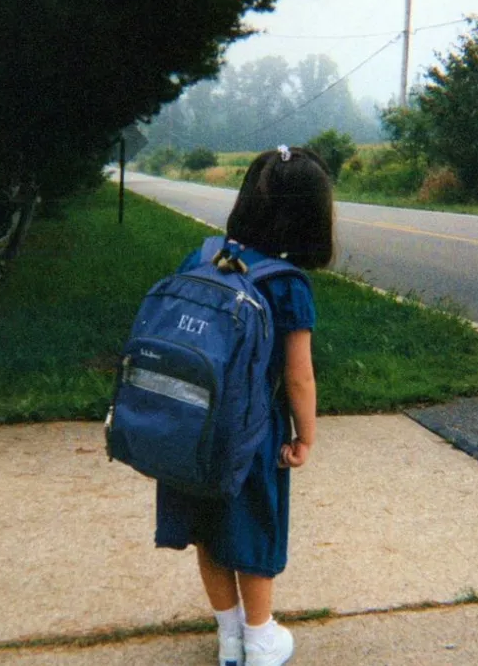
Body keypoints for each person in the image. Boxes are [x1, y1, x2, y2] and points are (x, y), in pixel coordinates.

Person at [155, 145, 335, 666]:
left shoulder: (205, 256)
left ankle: (229, 638)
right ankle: (260, 641)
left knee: (207, 531)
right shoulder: (287, 284)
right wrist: (305, 435)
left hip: (193, 424)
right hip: (255, 433)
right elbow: (299, 376)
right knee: (253, 530)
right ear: (310, 218)